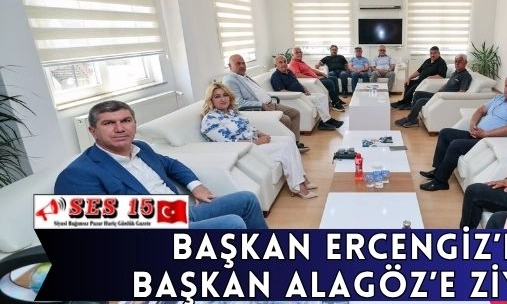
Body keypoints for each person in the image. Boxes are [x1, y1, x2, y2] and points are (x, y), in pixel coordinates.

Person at [54, 100, 267, 229]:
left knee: (246, 199)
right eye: (109, 123)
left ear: (134, 124)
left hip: (181, 212)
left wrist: (196, 186)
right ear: (93, 131)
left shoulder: (141, 148)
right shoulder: (78, 174)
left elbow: (171, 164)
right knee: (232, 224)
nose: (120, 129)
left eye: (126, 121)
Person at [201, 83, 318, 199]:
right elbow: (228, 143)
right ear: (211, 100)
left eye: (225, 95)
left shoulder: (232, 112)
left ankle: (302, 178)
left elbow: (248, 127)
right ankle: (298, 187)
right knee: (284, 147)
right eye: (217, 96)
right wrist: (258, 142)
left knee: (288, 140)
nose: (223, 99)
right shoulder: (210, 119)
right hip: (245, 150)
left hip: (254, 141)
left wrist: (259, 133)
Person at [419, 74, 507, 192]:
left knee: (456, 145)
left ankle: (440, 182)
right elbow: (481, 110)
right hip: (478, 135)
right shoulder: (499, 98)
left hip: (489, 141)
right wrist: (473, 125)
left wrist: (485, 134)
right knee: (445, 133)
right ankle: (438, 170)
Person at [223, 54, 308, 153]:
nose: (242, 66)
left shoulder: (244, 76)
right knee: (286, 119)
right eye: (238, 63)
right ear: (230, 66)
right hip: (260, 109)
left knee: (295, 113)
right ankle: (289, 147)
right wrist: (261, 105)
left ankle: (295, 143)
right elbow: (239, 103)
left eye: (243, 63)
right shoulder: (230, 80)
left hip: (271, 103)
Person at [395, 54, 472, 128]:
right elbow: (448, 83)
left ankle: (411, 120)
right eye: (456, 61)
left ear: (465, 62)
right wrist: (440, 90)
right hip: (439, 95)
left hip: (444, 99)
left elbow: (461, 92)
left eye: (460, 61)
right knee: (417, 93)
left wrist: (446, 95)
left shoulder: (465, 76)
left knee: (420, 101)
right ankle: (412, 118)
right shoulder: (456, 72)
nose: (457, 63)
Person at [270, 55, 343, 131]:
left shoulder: (289, 71)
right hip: (296, 97)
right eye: (280, 62)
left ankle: (325, 120)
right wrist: (300, 94)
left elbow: (297, 82)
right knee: (317, 100)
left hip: (303, 94)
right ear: (275, 65)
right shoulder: (276, 77)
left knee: (323, 96)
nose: (283, 64)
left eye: (285, 61)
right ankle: (327, 121)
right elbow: (282, 91)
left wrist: (305, 89)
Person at [289, 46, 346, 111]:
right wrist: (314, 78)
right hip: (313, 81)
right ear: (292, 55)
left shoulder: (301, 62)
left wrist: (321, 73)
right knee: (329, 82)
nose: (299, 54)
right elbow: (297, 75)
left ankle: (336, 98)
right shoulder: (293, 63)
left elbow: (311, 70)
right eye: (297, 52)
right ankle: (335, 104)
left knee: (334, 78)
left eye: (300, 52)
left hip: (316, 78)